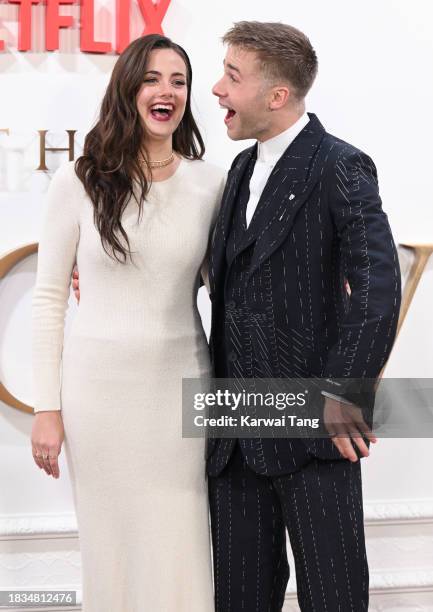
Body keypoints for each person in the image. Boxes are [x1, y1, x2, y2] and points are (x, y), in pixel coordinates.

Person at [205, 21, 401, 611]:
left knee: (333, 598)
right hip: (234, 433)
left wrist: (344, 391)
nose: (216, 89)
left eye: (231, 77)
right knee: (239, 600)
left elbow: (377, 287)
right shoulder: (239, 171)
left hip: (315, 428)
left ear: (277, 96)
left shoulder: (340, 164)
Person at [30, 34, 225, 612]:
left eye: (179, 81)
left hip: (182, 390)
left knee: (183, 540)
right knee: (110, 545)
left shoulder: (212, 184)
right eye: (152, 79)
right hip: (99, 396)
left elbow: (235, 289)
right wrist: (47, 408)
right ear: (127, 88)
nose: (166, 92)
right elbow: (48, 299)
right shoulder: (79, 181)